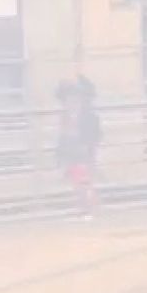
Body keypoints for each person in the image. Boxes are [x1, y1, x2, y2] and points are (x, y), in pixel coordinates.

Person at [55, 77, 101, 220]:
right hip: (71, 151)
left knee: (84, 181)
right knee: (77, 182)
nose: (71, 102)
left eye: (74, 99)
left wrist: (88, 146)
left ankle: (89, 210)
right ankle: (83, 208)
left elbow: (95, 134)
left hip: (84, 151)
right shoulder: (66, 116)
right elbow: (63, 136)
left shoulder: (88, 116)